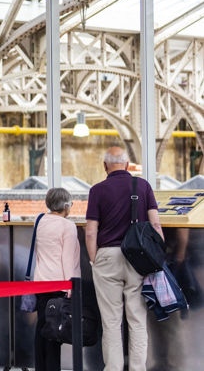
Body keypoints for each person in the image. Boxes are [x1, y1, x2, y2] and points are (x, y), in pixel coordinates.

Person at [85, 147, 163, 371]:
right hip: (138, 258)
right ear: (128, 165)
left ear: (105, 166)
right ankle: (138, 368)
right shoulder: (143, 186)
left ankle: (114, 368)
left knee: (111, 322)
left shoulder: (97, 190)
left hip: (107, 257)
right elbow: (155, 225)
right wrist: (157, 257)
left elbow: (91, 231)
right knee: (137, 319)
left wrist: (94, 260)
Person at [33, 187, 80, 371]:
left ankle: (41, 367)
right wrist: (71, 285)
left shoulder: (40, 221)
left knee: (42, 328)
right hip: (59, 284)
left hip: (40, 282)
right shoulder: (67, 226)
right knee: (54, 332)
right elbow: (67, 258)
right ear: (66, 206)